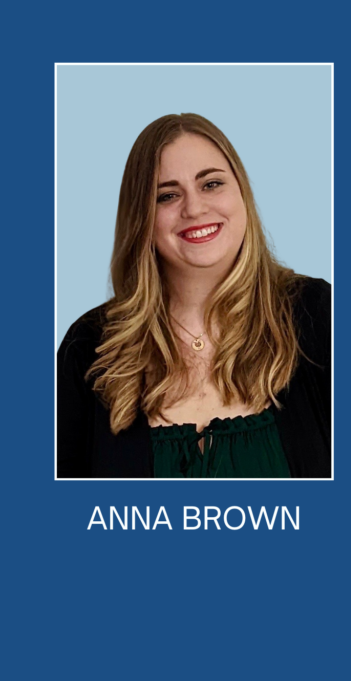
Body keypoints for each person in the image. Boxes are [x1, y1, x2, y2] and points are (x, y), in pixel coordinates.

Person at [57, 114, 330, 478]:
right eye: (167, 195)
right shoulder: (88, 349)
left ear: (242, 194)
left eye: (211, 184)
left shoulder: (318, 314)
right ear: (141, 216)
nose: (194, 208)